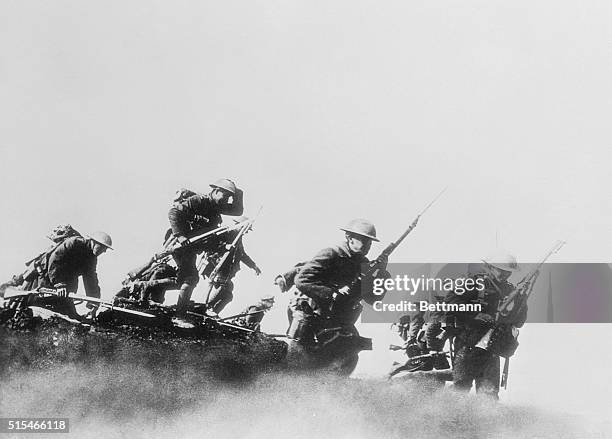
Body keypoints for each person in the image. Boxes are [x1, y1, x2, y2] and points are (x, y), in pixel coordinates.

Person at [287, 218, 389, 373]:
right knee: (299, 356)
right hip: (311, 312)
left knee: (349, 355)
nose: (368, 246)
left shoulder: (364, 264)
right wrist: (332, 293)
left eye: (370, 242)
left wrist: (381, 273)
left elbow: (372, 298)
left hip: (336, 319)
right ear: (349, 238)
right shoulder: (331, 254)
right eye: (364, 240)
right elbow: (302, 280)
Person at [442, 251, 527, 399]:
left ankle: (485, 421)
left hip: (492, 347)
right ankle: (447, 418)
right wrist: (476, 315)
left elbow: (518, 322)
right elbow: (450, 303)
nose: (505, 275)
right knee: (460, 387)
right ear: (490, 267)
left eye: (508, 272)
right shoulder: (473, 283)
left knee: (489, 393)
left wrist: (521, 301)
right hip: (468, 343)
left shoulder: (511, 290)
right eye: (501, 271)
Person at [166, 178, 244, 316]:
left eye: (228, 198)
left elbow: (237, 211)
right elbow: (174, 212)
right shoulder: (199, 200)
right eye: (224, 196)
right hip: (179, 243)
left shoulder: (217, 206)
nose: (226, 200)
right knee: (190, 278)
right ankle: (179, 316)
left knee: (182, 280)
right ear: (215, 191)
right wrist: (180, 235)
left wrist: (239, 193)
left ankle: (144, 286)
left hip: (192, 246)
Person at [25, 231, 113, 317]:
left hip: (65, 286)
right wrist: (59, 284)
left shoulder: (92, 259)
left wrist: (94, 304)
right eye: (102, 247)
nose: (104, 251)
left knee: (70, 314)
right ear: (93, 242)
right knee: (33, 305)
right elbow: (55, 259)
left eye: (105, 249)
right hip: (46, 276)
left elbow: (91, 279)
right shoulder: (74, 243)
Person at [200, 221, 261, 314]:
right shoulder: (226, 233)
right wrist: (225, 246)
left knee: (228, 295)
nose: (246, 231)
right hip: (217, 265)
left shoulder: (238, 238)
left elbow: (242, 255)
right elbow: (211, 244)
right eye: (246, 229)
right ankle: (205, 306)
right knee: (223, 285)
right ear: (239, 225)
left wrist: (253, 266)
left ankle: (213, 311)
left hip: (227, 270)